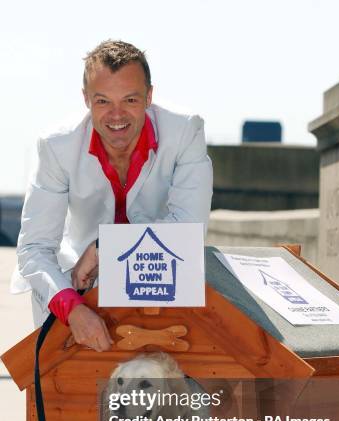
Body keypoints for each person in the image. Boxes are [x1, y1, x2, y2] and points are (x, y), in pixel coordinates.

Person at [12, 40, 213, 351]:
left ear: (149, 96)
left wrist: (106, 247)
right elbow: (34, 248)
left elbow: (190, 230)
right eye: (103, 101)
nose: (116, 115)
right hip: (77, 279)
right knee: (64, 394)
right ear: (86, 99)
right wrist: (71, 307)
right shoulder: (56, 145)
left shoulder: (186, 131)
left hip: (159, 273)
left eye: (130, 99)